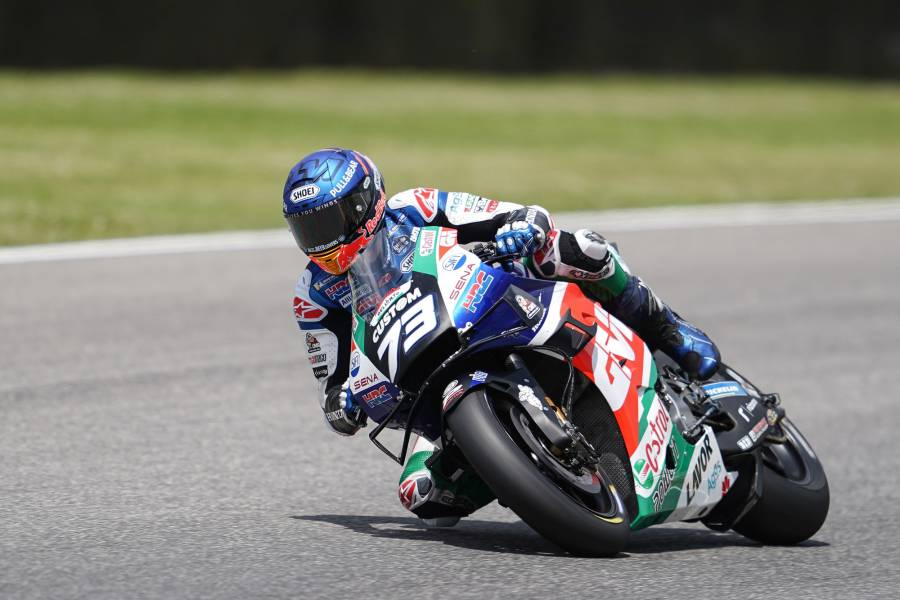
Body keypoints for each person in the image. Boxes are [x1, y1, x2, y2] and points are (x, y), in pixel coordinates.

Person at [285, 147, 720, 526]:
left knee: (580, 248)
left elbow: (509, 213)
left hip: (488, 299)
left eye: (328, 222)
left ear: (364, 204)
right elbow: (330, 386)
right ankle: (524, 472)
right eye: (308, 230)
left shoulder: (410, 207)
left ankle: (668, 329)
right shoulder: (314, 294)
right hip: (422, 377)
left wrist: (521, 226)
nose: (320, 241)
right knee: (421, 495)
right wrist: (342, 405)